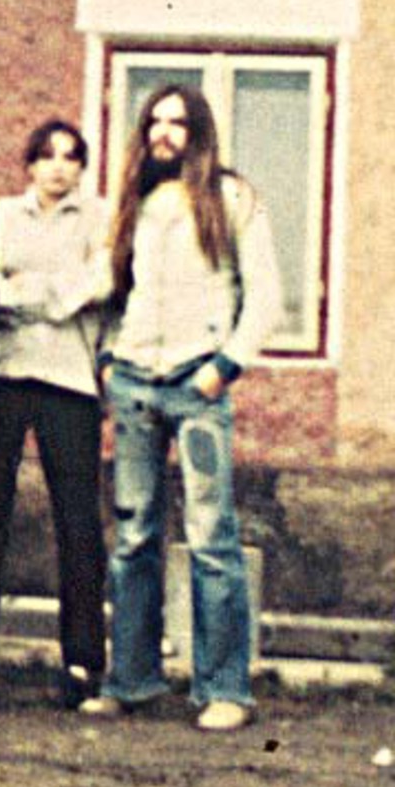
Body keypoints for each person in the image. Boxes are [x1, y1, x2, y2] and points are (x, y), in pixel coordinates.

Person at [79, 85, 281, 733]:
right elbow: (114, 291)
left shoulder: (233, 199)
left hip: (198, 385)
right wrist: (109, 360)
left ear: (199, 132)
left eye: (178, 122)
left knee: (210, 535)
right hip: (135, 384)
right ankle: (130, 680)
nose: (165, 132)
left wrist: (225, 367)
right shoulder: (132, 205)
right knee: (134, 534)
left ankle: (224, 689)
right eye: (156, 121)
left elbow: (266, 296)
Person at [0, 119, 110, 707]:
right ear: (30, 165)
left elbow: (102, 281)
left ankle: (82, 663)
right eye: (47, 156)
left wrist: (34, 291)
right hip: (5, 374)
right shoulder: (1, 217)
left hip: (70, 378)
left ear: (81, 166)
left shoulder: (99, 218)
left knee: (78, 521)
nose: (58, 167)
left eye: (70, 157)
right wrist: (59, 292)